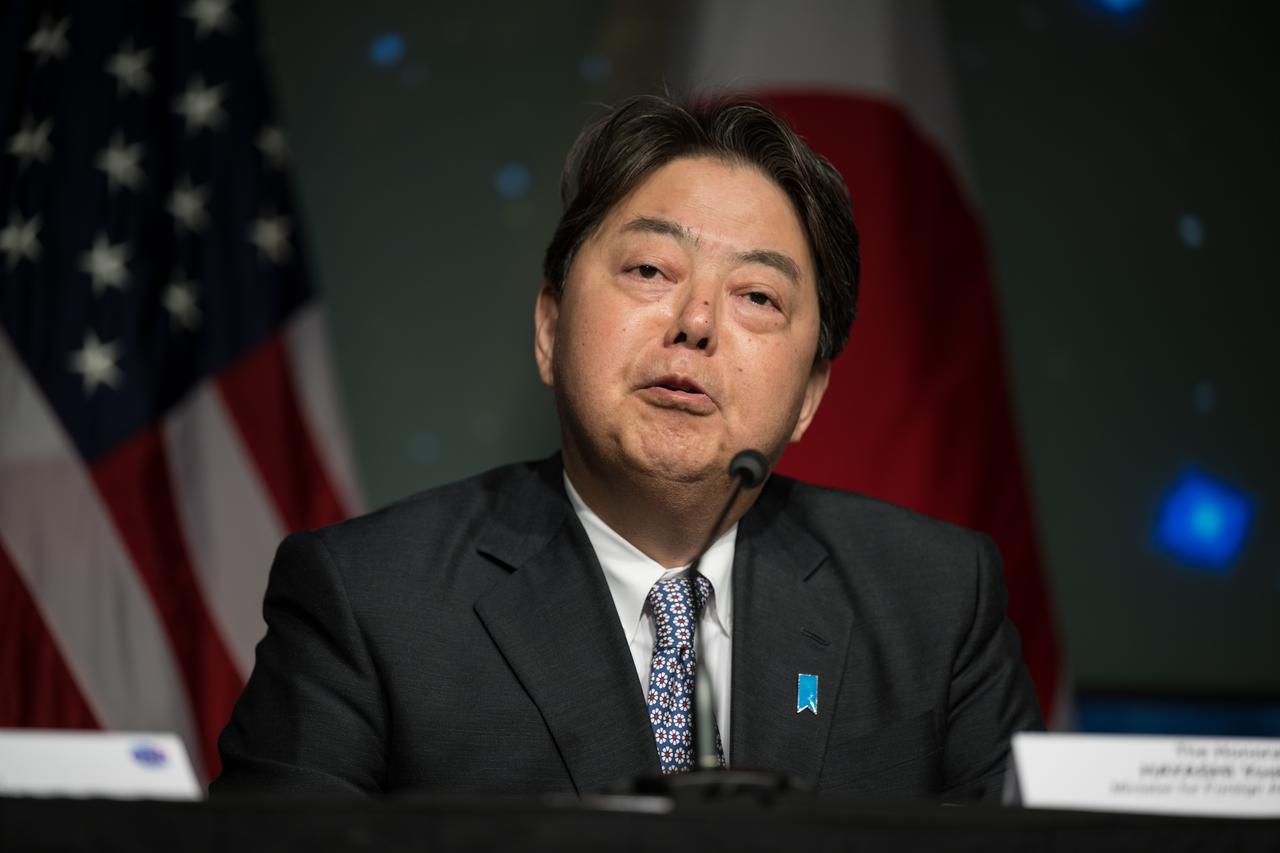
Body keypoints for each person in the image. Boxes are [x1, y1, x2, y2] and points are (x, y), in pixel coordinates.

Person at [211, 94, 1042, 801]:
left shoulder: (935, 600)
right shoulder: (371, 601)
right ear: (548, 327)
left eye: (756, 295)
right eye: (650, 270)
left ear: (810, 398)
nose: (696, 322)